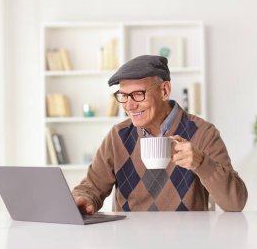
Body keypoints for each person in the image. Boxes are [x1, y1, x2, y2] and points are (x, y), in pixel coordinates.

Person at [72, 55, 247, 213]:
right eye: (123, 96)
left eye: (138, 94)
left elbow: (235, 203)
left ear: (164, 90)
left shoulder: (203, 133)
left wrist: (201, 163)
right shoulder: (118, 136)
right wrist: (83, 199)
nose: (129, 105)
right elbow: (91, 188)